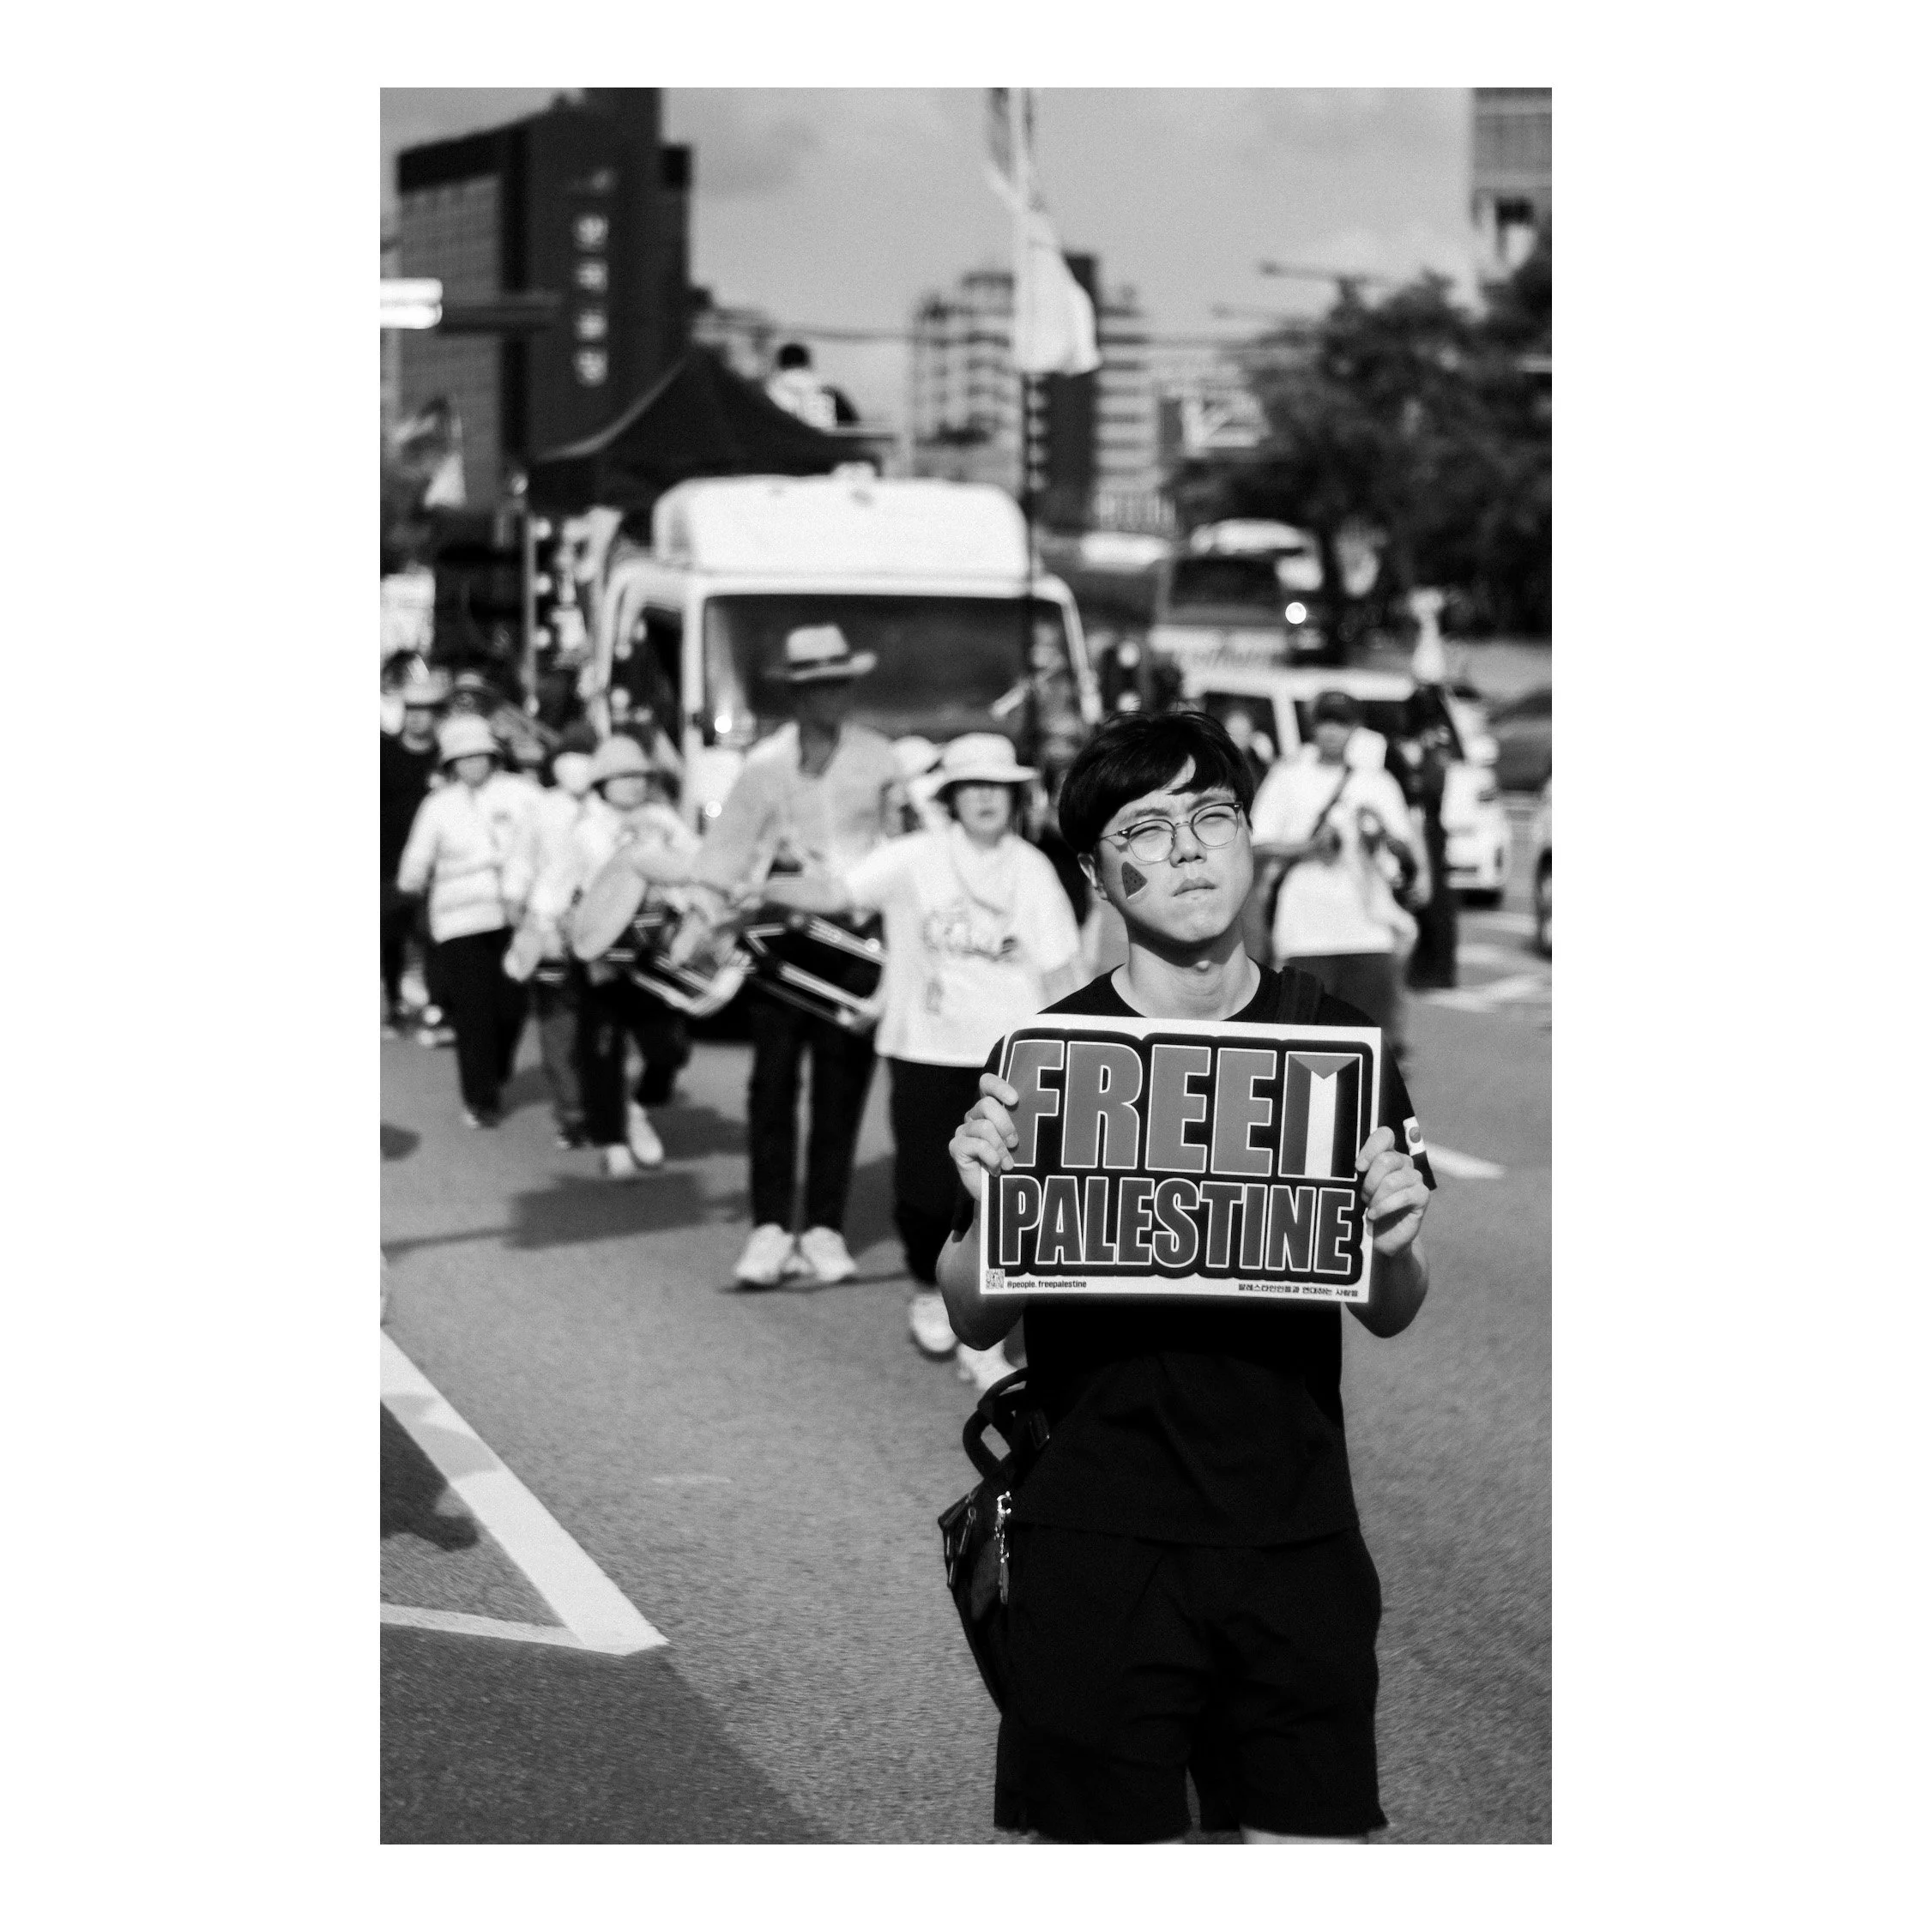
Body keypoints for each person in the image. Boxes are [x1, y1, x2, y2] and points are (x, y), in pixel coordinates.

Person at [936, 709, 1435, 1844]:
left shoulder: (1338, 1044)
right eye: (1145, 829)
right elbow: (974, 1304)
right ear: (1097, 875)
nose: (1188, 849)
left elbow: (1391, 1310)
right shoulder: (1045, 1058)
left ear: (1250, 839)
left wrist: (1397, 1241)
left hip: (1295, 1528)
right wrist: (980, 1200)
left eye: (1212, 816)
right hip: (1096, 1534)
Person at [758, 733, 1084, 1390]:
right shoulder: (913, 858)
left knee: (1008, 1189)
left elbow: (1062, 970)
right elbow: (835, 893)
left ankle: (988, 1328)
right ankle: (930, 1287)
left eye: (998, 787)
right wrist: (759, 887)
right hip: (925, 1048)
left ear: (1016, 795)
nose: (987, 799)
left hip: (1009, 1056)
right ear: (953, 799)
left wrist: (1077, 1050)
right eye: (973, 788)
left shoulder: (1034, 868)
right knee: (922, 1190)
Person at [685, 625, 903, 1286]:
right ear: (797, 694)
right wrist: (710, 914)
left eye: (838, 683)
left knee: (842, 1086)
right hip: (782, 934)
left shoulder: (881, 758)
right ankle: (770, 1227)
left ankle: (826, 1228)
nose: (829, 696)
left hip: (856, 936)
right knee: (772, 1085)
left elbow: (903, 844)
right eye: (815, 686)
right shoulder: (765, 764)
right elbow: (726, 850)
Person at [530, 735, 700, 1180]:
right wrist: (544, 927)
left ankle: (637, 1107)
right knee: (601, 1048)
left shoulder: (664, 821)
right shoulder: (586, 829)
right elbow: (555, 883)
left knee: (667, 1045)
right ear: (601, 784)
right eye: (621, 777)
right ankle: (612, 1139)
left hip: (655, 949)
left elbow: (699, 862)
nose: (633, 785)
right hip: (601, 952)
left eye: (640, 776)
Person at [1249, 691, 1419, 1061]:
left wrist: (1378, 837)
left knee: (1372, 1051)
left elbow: (1404, 851)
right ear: (1314, 725)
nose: (1333, 732)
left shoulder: (1378, 782)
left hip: (1367, 929)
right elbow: (1257, 844)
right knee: (1302, 1052)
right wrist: (1308, 848)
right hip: (1305, 933)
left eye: (1342, 723)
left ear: (1355, 728)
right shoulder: (1288, 776)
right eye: (1326, 721)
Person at [394, 715, 539, 1126]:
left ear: (494, 757)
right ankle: (480, 1099)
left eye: (480, 756)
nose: (473, 765)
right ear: (450, 764)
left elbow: (547, 838)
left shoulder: (523, 794)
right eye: (463, 758)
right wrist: (410, 884)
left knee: (511, 1008)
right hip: (459, 918)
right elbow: (419, 855)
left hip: (514, 913)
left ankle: (496, 1069)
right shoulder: (438, 805)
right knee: (474, 1011)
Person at [503, 750, 595, 1148]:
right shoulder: (542, 809)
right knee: (558, 1021)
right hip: (549, 927)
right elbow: (522, 859)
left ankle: (600, 1104)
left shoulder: (611, 808)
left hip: (604, 926)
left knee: (597, 1022)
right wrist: (514, 900)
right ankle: (572, 1110)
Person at [381, 673, 443, 1035]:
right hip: (387, 863)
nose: (418, 718)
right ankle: (393, 1002)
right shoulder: (384, 753)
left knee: (433, 937)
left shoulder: (444, 759)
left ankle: (437, 1004)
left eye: (426, 711)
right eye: (412, 710)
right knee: (389, 937)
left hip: (435, 867)